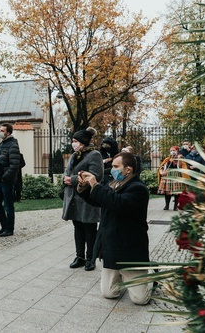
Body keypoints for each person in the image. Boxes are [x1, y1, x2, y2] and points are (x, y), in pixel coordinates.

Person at [77, 152, 152, 305]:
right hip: (111, 245)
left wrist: (96, 185)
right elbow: (99, 200)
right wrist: (84, 187)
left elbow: (118, 203)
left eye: (116, 167)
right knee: (109, 293)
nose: (113, 170)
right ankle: (121, 276)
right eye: (112, 166)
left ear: (128, 169)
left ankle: (149, 277)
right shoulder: (113, 184)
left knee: (140, 299)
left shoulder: (139, 188)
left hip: (130, 247)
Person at [62, 127, 103, 271]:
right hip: (73, 197)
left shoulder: (94, 154)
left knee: (89, 228)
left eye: (75, 141)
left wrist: (72, 180)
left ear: (83, 142)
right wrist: (65, 178)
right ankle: (80, 256)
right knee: (78, 227)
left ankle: (91, 259)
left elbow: (97, 175)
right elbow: (67, 171)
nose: (73, 143)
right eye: (72, 141)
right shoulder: (75, 155)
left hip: (87, 198)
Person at [0, 123, 21, 237]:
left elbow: (14, 165)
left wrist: (5, 177)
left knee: (8, 205)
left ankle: (9, 229)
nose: (0, 132)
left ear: (8, 133)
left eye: (2, 130)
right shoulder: (2, 144)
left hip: (7, 180)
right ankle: (3, 226)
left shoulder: (13, 145)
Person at [158, 146, 189, 211]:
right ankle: (167, 205)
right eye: (171, 150)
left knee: (176, 192)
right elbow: (161, 167)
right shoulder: (167, 159)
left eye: (174, 150)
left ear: (177, 151)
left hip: (177, 176)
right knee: (167, 192)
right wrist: (161, 172)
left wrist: (179, 159)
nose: (172, 151)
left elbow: (181, 167)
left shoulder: (180, 158)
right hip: (167, 176)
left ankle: (175, 206)